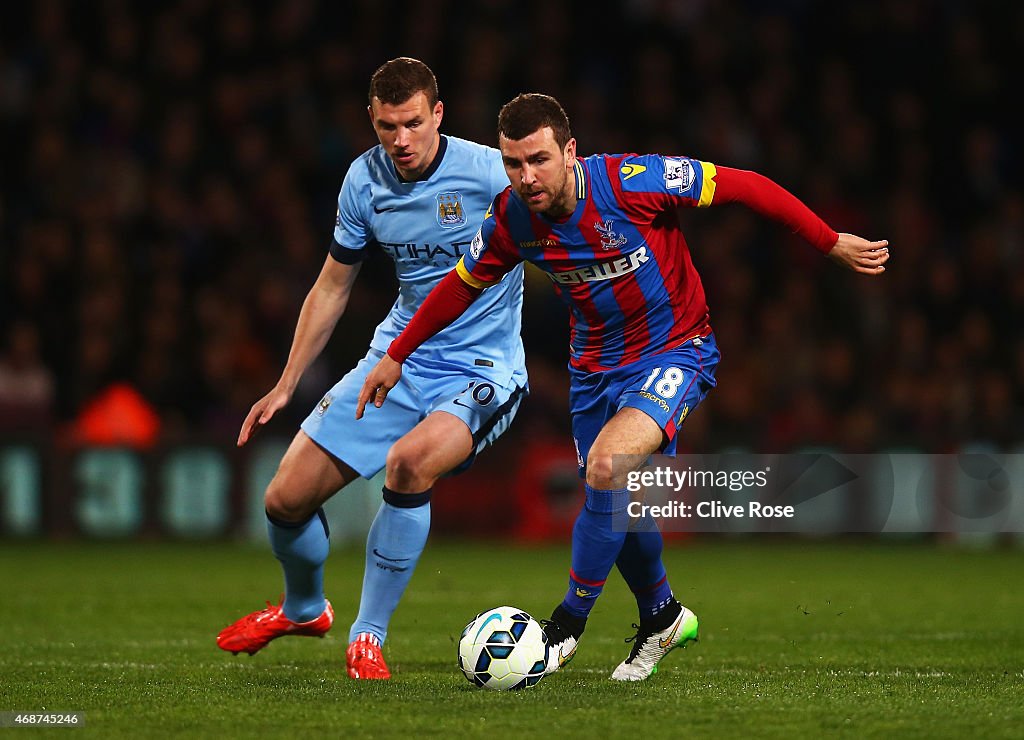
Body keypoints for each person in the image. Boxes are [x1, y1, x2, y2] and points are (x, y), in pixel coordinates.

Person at [357, 93, 889, 681]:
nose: (527, 177)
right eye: (513, 164)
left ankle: (565, 626)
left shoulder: (633, 181)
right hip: (593, 370)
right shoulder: (512, 218)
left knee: (608, 468)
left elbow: (746, 185)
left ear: (570, 152)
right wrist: (397, 355)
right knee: (615, 494)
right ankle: (661, 614)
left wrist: (827, 241)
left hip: (675, 350)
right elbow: (461, 285)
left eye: (538, 159)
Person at [216, 59, 527, 680]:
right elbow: (333, 286)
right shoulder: (363, 181)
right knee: (283, 500)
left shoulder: (493, 173)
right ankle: (305, 609)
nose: (401, 140)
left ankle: (368, 634)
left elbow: (567, 219)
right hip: (398, 359)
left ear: (438, 114)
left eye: (413, 123)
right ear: (372, 119)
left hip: (482, 367)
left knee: (409, 465)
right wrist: (285, 384)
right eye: (388, 126)